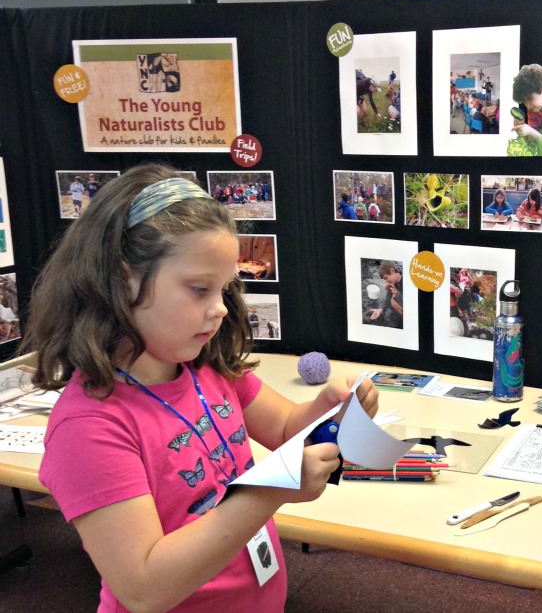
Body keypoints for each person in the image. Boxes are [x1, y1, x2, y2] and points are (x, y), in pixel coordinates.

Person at [24, 164, 379, 612]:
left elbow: (287, 426)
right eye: (198, 289)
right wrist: (272, 490)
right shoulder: (89, 425)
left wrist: (329, 408)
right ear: (121, 278)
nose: (218, 310)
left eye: (224, 290)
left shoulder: (205, 368)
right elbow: (144, 588)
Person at [368, 260, 403, 327]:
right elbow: (387, 300)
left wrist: (397, 294)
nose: (386, 282)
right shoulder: (392, 283)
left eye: (386, 278)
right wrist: (379, 310)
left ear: (392, 271)